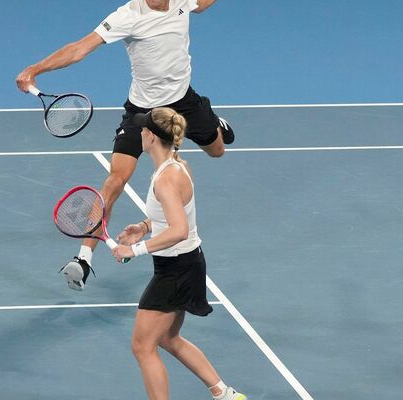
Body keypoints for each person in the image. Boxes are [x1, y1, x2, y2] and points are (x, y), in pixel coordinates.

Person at [16, 0, 235, 291]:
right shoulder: (127, 15)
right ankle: (83, 259)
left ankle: (215, 124)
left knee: (217, 150)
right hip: (141, 112)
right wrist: (37, 68)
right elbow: (81, 47)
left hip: (184, 102)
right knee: (115, 180)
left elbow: (203, 4)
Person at [111, 108, 246, 400]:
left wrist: (133, 250)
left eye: (143, 129)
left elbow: (179, 230)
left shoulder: (165, 179)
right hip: (187, 264)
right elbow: (171, 216)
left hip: (176, 271)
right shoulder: (176, 165)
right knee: (169, 339)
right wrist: (144, 226)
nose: (141, 133)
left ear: (150, 137)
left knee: (142, 347)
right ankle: (225, 394)